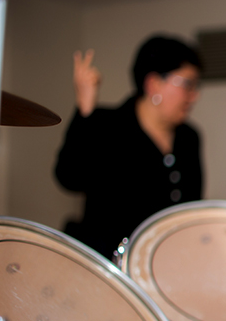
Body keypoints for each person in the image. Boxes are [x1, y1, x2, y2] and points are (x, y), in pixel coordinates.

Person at [55, 35, 204, 259]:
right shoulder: (108, 125)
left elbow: (191, 206)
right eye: (188, 84)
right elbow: (69, 177)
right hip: (110, 266)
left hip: (168, 261)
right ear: (154, 84)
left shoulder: (189, 137)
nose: (195, 96)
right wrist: (85, 109)